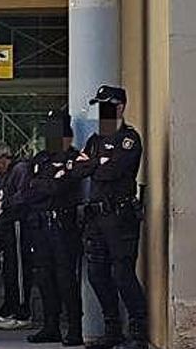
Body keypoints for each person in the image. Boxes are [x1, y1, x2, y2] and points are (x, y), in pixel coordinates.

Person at [70, 86, 146, 349]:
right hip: (96, 217)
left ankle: (138, 332)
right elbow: (78, 169)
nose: (101, 112)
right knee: (97, 274)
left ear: (120, 107)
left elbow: (112, 171)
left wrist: (96, 165)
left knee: (123, 273)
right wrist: (97, 163)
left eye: (106, 105)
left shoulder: (129, 139)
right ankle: (112, 329)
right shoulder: (95, 140)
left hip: (119, 216)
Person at [20, 111, 84, 346]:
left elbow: (61, 187)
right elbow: (27, 191)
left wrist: (43, 185)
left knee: (66, 277)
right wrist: (45, 185)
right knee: (44, 276)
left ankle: (75, 328)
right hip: (40, 224)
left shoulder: (73, 158)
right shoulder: (40, 159)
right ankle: (51, 325)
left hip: (63, 224)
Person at [0, 139, 34, 331]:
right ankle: (8, 310)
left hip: (19, 225)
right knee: (9, 270)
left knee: (19, 270)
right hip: (8, 227)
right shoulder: (6, 175)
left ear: (3, 157)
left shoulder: (20, 170)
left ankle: (22, 313)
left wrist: (3, 204)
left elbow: (24, 196)